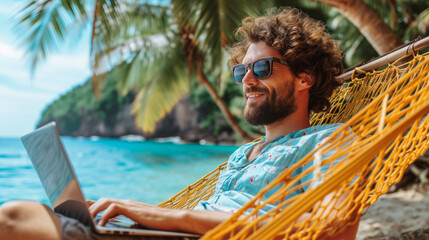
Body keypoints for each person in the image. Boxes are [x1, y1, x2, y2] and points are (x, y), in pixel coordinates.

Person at [0, 7, 359, 240]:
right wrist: (137, 212)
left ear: (304, 79)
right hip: (172, 233)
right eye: (242, 69)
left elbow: (330, 232)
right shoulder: (242, 155)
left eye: (262, 68)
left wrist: (168, 217)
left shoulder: (332, 142)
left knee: (15, 218)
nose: (247, 80)